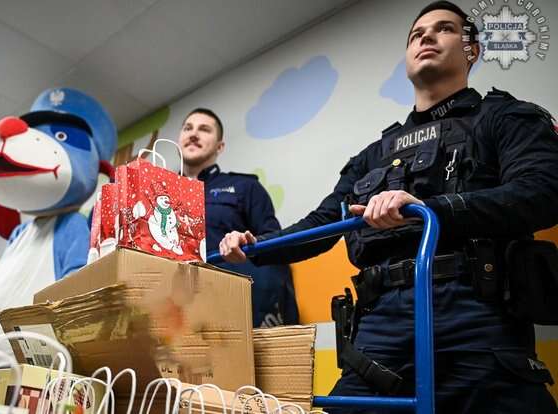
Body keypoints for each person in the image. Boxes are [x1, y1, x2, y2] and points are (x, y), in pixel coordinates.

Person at [219, 2, 558, 412]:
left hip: (476, 320)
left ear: (472, 50)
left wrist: (432, 209)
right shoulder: (373, 155)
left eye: (445, 29)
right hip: (379, 328)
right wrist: (255, 245)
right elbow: (325, 222)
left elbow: (542, 192)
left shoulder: (505, 117)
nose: (427, 37)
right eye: (417, 34)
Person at [180, 107, 298, 326]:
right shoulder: (159, 196)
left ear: (220, 146)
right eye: (188, 128)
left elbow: (273, 251)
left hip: (234, 312)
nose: (193, 134)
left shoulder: (246, 187)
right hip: (175, 312)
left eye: (204, 129)